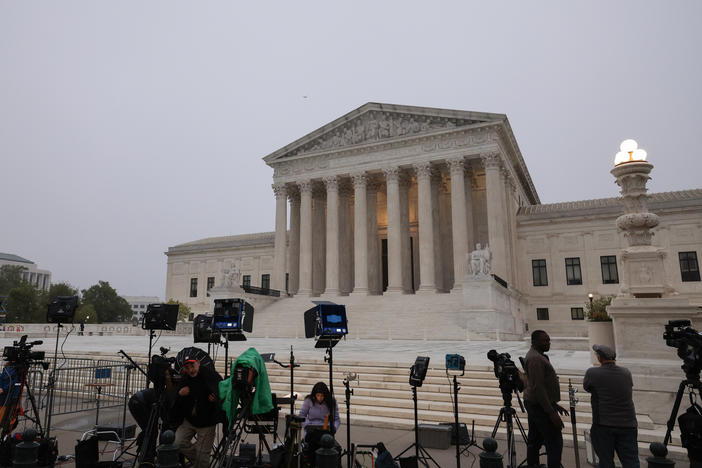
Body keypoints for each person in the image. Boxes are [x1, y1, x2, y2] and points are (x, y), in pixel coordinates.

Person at [583, 344, 639, 468]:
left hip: (604, 424)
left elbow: (587, 387)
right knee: (631, 461)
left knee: (606, 461)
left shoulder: (592, 373)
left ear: (599, 358)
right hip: (628, 423)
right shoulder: (626, 372)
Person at [523, 330, 569, 468]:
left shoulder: (537, 356)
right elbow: (538, 387)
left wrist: (554, 404)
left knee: (535, 439)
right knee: (554, 440)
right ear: (535, 342)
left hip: (537, 403)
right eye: (545, 340)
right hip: (539, 405)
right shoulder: (536, 359)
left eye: (548, 340)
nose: (548, 343)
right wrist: (551, 412)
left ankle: (533, 465)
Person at [174, 354, 222, 468]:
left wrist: (216, 397)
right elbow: (177, 398)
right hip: (189, 420)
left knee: (202, 457)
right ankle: (200, 459)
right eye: (187, 367)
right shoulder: (185, 378)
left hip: (207, 421)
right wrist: (180, 394)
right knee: (177, 443)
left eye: (192, 366)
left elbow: (220, 388)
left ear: (198, 363)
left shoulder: (210, 375)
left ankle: (201, 460)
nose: (190, 370)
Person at [298, 382, 340, 464]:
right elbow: (302, 415)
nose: (320, 398)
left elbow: (337, 419)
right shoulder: (309, 400)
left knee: (324, 439)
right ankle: (312, 462)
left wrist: (334, 427)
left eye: (322, 396)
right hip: (311, 429)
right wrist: (307, 425)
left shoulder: (332, 402)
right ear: (314, 395)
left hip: (325, 429)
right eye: (318, 395)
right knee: (313, 440)